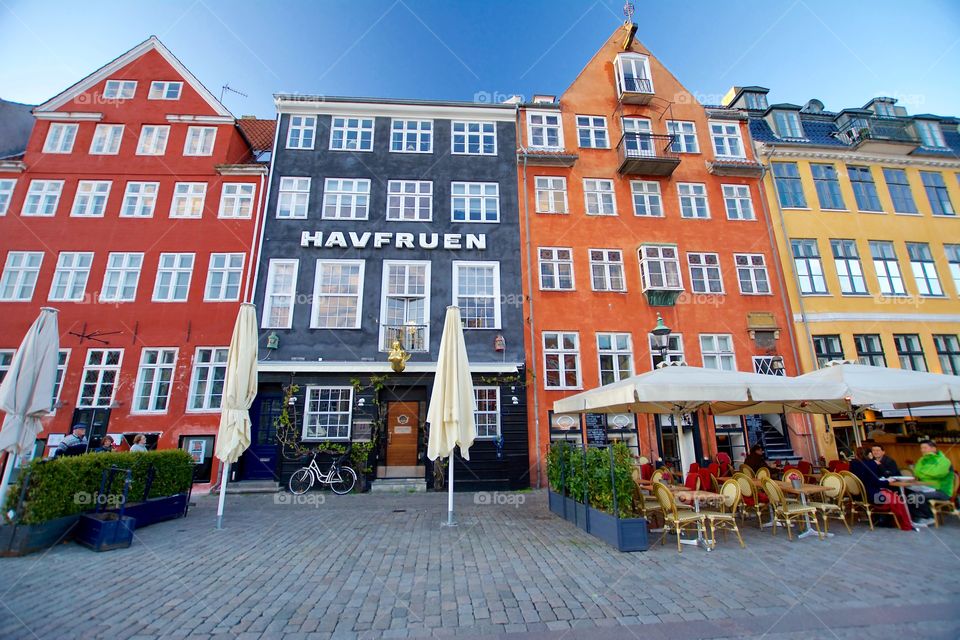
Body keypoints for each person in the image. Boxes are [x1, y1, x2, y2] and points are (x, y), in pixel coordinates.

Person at [849, 447, 911, 530]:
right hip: (872, 496)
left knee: (890, 494)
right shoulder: (871, 464)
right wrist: (887, 481)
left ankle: (882, 519)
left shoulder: (853, 464)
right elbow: (876, 482)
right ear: (870, 454)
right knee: (897, 498)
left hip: (858, 495)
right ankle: (904, 522)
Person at [908, 440, 954, 524]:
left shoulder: (943, 460)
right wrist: (926, 473)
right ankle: (915, 517)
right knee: (905, 493)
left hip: (941, 490)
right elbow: (916, 472)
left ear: (933, 448)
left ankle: (928, 517)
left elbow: (938, 473)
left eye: (925, 448)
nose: (922, 450)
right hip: (925, 488)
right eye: (921, 448)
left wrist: (923, 473)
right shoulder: (922, 460)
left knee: (914, 496)